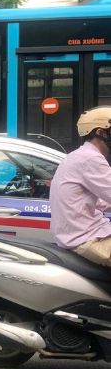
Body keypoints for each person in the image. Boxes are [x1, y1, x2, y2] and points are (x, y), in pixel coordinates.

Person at [50, 106, 111, 266]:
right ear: (101, 132)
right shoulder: (90, 159)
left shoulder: (77, 156)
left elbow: (98, 201)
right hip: (87, 239)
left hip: (84, 233)